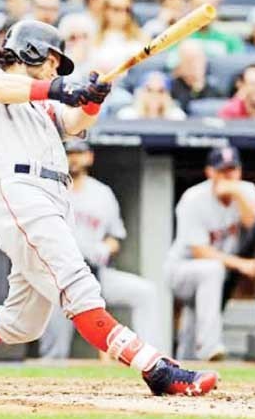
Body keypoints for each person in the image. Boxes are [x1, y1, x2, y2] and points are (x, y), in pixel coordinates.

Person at [0, 20, 218, 396]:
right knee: (79, 287)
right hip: (19, 190)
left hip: (55, 196)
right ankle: (155, 369)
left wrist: (93, 97)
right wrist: (59, 88)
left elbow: (76, 123)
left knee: (22, 324)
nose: (54, 70)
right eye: (52, 62)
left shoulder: (42, 104)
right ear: (30, 49)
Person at [39, 140, 163, 358]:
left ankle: (153, 360)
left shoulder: (102, 193)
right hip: (59, 274)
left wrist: (105, 248)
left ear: (89, 157)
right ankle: (52, 368)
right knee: (55, 343)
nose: (74, 158)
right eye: (68, 153)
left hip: (96, 272)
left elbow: (115, 237)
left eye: (79, 153)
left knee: (146, 292)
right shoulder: (50, 191)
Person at [165, 146, 255, 360]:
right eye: (222, 170)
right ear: (210, 172)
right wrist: (240, 264)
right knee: (211, 270)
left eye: (232, 169)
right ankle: (209, 348)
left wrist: (237, 193)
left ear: (240, 170)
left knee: (194, 319)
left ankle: (184, 363)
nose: (228, 175)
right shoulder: (193, 198)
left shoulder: (248, 191)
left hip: (214, 272)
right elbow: (200, 251)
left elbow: (253, 224)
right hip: (181, 270)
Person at [180, 0, 244, 57]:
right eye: (198, 6)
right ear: (190, 7)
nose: (204, 13)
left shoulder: (231, 39)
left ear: (217, 8)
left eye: (209, 8)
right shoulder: (177, 36)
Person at [92, 0, 149, 66]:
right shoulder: (94, 39)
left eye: (127, 10)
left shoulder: (142, 36)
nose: (123, 14)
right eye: (117, 9)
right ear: (106, 10)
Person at [169, 40, 224, 115]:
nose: (194, 65)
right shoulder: (172, 88)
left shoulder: (213, 87)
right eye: (189, 61)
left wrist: (199, 86)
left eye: (198, 60)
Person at [117, 71, 186, 120]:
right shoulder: (128, 115)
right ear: (140, 92)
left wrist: (166, 112)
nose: (154, 95)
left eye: (160, 91)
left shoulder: (176, 115)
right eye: (149, 90)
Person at [58, 13, 98, 79]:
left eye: (84, 36)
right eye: (72, 38)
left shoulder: (96, 56)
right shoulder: (59, 59)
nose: (79, 42)